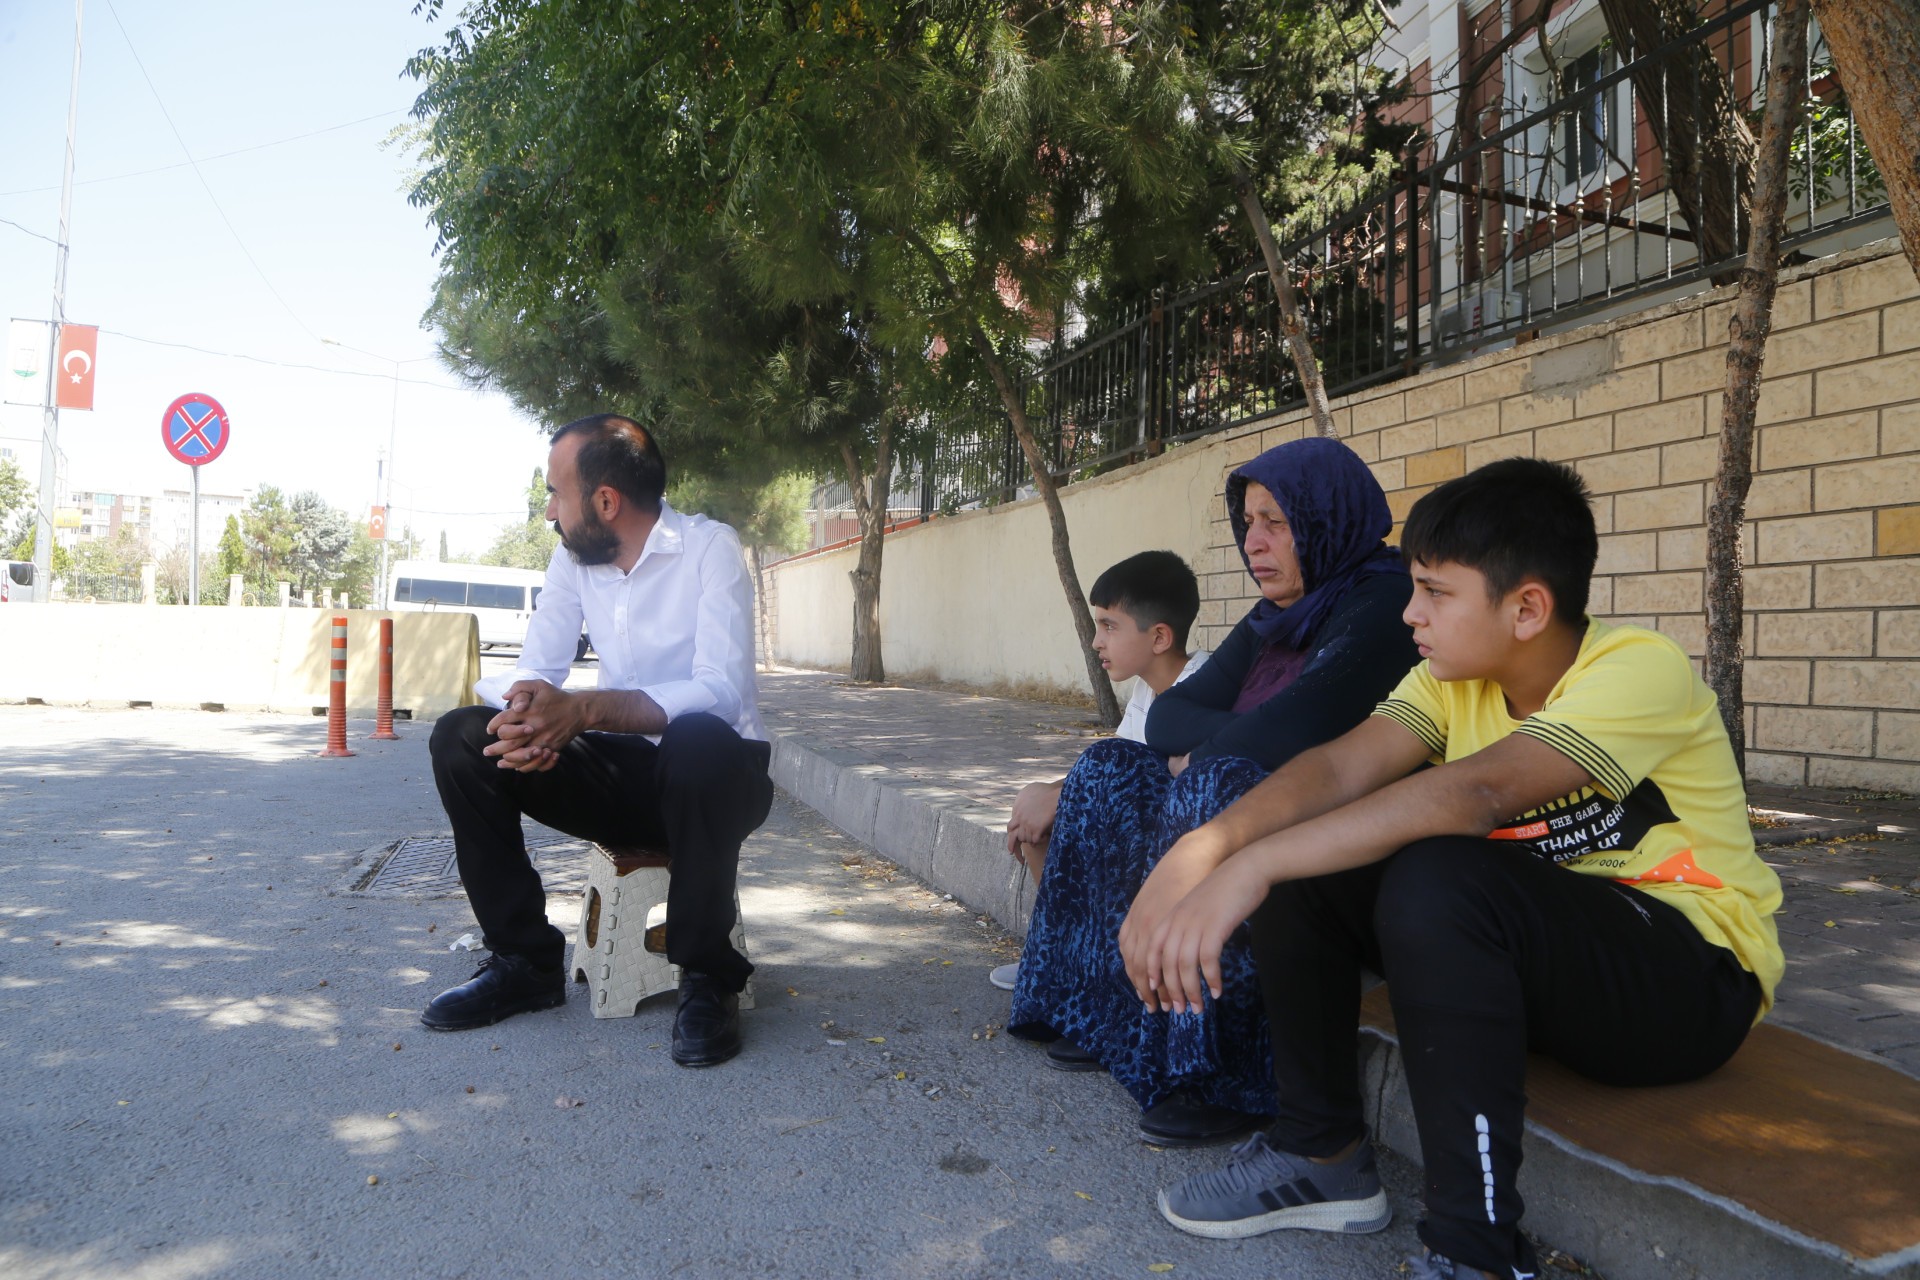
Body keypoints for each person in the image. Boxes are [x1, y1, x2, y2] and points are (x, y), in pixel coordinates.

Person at [1127, 458, 1783, 1280]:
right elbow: (1334, 771)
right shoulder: (1448, 682)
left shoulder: (1638, 668)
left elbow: (1477, 792)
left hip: (1687, 981)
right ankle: (1320, 1153)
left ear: (1528, 608)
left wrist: (1247, 869)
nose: (1410, 613)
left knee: (1437, 867)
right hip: (1544, 959)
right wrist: (1205, 851)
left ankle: (1476, 1254)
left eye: (1436, 592)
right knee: (1317, 851)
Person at [1008, 436, 1420, 1148]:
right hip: (1247, 800)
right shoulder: (1272, 619)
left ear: (1326, 518)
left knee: (1218, 781)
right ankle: (1101, 1013)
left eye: (1276, 522)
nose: (1253, 543)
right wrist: (1225, 739)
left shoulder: (1378, 604)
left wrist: (1214, 746)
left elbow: (1297, 732)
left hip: (1330, 845)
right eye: (1248, 523)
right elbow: (1170, 713)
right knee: (1108, 769)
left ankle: (1223, 1075)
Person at [420, 413, 773, 1070]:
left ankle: (707, 975)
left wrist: (582, 711)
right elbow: (539, 662)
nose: (550, 512)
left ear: (605, 501)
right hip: (629, 778)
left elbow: (720, 691)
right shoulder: (572, 559)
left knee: (695, 738)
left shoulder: (709, 549)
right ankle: (524, 962)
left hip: (720, 777)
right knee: (462, 738)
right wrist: (525, 717)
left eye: (557, 494)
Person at [994, 549, 1211, 987]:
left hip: (1175, 853)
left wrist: (1053, 798)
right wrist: (1042, 793)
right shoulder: (1147, 692)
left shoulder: (1201, 688)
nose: (1097, 642)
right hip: (1139, 832)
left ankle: (1096, 972)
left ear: (1160, 638)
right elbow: (1120, 757)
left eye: (1110, 626)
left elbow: (1144, 780)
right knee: (1041, 822)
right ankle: (1061, 955)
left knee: (1060, 812)